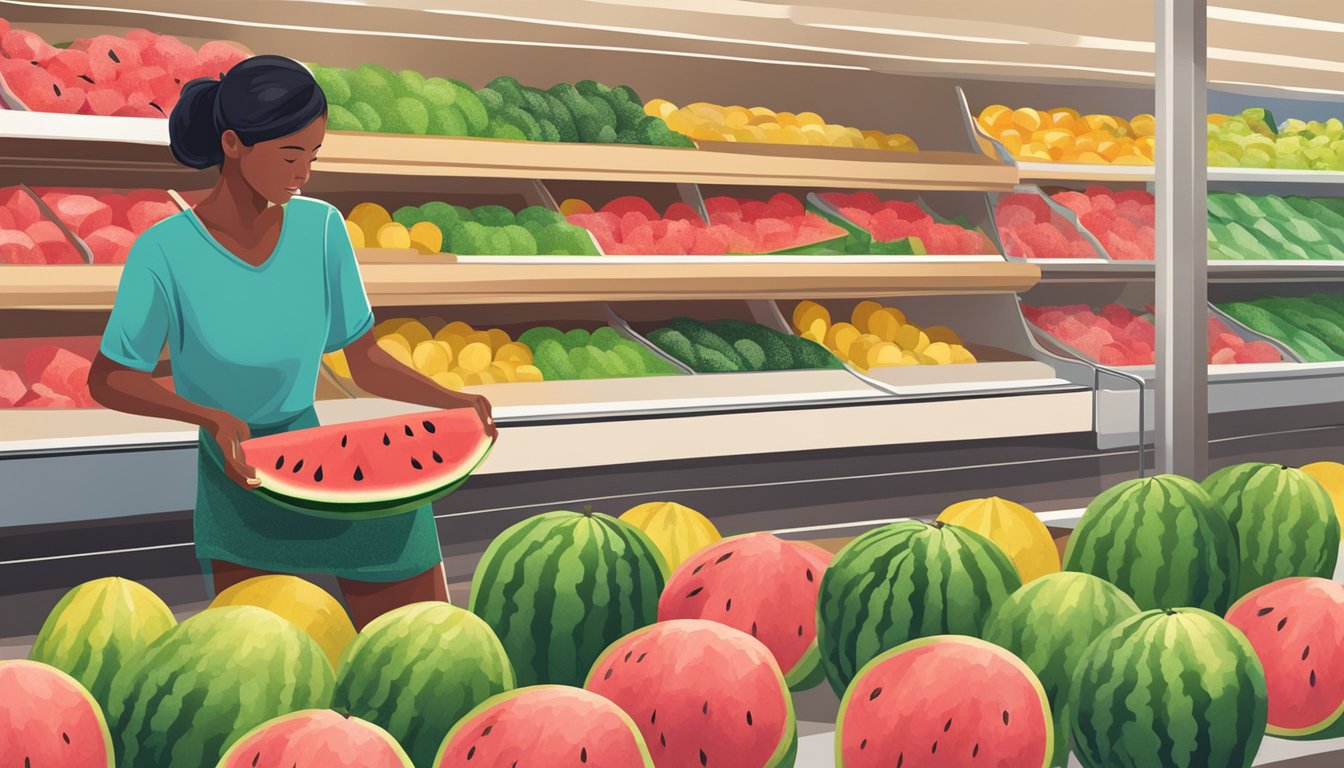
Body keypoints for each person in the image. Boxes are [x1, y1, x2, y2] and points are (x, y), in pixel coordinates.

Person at [88, 55, 494, 629]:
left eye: (313, 154)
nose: (303, 171)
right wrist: (209, 417)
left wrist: (449, 401)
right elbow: (109, 377)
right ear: (232, 144)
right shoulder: (164, 252)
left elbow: (365, 361)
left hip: (335, 470)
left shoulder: (322, 228)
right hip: (239, 483)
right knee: (266, 669)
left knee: (421, 648)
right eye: (288, 154)